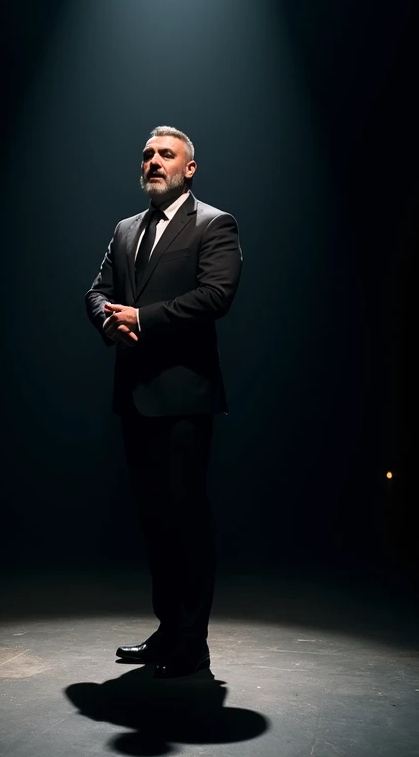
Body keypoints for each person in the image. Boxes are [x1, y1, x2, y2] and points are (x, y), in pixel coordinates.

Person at [85, 125, 242, 679]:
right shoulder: (126, 229)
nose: (153, 161)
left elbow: (216, 294)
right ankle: (167, 631)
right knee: (154, 522)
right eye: (148, 154)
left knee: (186, 523)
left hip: (183, 397)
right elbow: (96, 290)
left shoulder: (215, 223)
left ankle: (191, 645)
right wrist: (108, 317)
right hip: (134, 398)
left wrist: (142, 319)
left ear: (189, 168)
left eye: (165, 154)